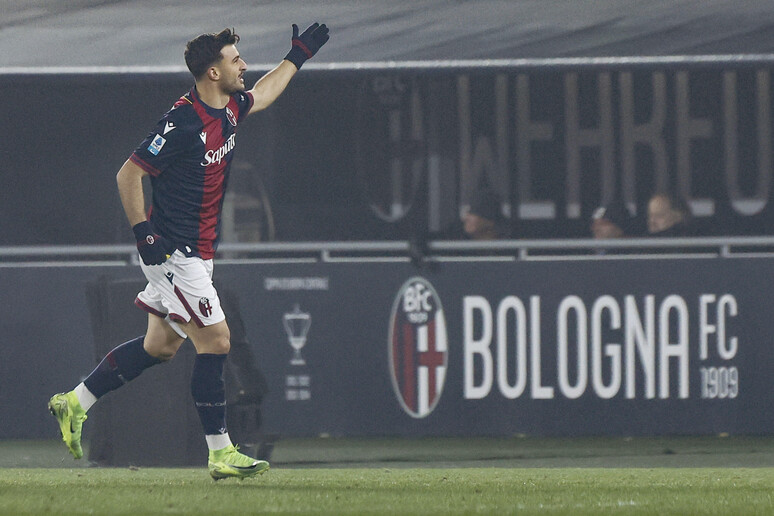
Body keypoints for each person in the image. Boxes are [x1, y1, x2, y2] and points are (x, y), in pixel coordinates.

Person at [48, 23, 329, 480]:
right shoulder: (181, 123)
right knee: (217, 340)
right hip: (173, 252)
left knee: (159, 346)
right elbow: (127, 175)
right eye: (235, 59)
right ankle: (220, 453)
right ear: (213, 72)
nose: (243, 64)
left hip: (197, 251)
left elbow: (265, 92)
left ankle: (74, 402)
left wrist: (298, 56)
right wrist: (144, 236)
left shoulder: (232, 109)